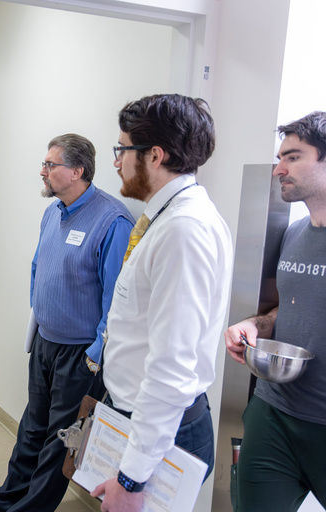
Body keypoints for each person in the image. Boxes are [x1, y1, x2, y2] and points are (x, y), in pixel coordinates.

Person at [0, 134, 134, 512]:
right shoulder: (53, 211)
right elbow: (39, 267)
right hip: (45, 343)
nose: (42, 171)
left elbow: (117, 302)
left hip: (80, 355)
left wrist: (96, 354)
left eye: (50, 165)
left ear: (77, 171)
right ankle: (1, 504)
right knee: (32, 429)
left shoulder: (113, 220)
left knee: (60, 442)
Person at [90, 94, 233, 512]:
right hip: (142, 420)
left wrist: (132, 477)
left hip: (162, 431)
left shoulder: (183, 230)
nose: (116, 161)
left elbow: (172, 366)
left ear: (154, 155)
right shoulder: (165, 218)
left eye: (121, 150)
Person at [224, 112, 326, 512]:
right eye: (280, 157)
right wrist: (254, 323)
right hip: (273, 414)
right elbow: (289, 307)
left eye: (293, 157)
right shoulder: (295, 234)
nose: (278, 169)